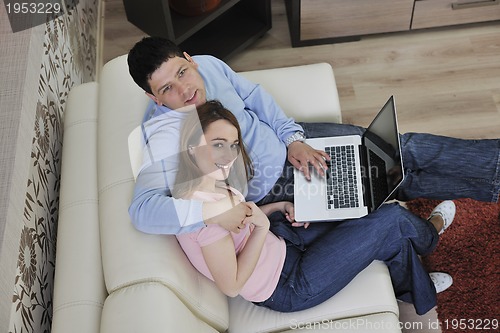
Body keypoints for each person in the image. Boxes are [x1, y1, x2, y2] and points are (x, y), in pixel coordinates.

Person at [127, 36, 499, 237]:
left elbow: (254, 96)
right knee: (389, 180)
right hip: (275, 188)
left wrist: (292, 138)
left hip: (292, 142)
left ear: (189, 59)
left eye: (182, 72)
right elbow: (142, 212)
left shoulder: (207, 65)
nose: (184, 90)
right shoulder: (160, 136)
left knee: (399, 148)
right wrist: (215, 210)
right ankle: (492, 187)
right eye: (166, 89)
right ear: (152, 97)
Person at [172, 100, 455, 314]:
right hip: (288, 285)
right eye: (217, 144)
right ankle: (429, 235)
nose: (228, 156)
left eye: (233, 145)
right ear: (191, 146)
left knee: (366, 208)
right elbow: (231, 286)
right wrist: (262, 228)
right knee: (391, 218)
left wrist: (277, 207)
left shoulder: (209, 181)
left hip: (284, 243)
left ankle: (418, 289)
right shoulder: (202, 218)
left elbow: (245, 222)